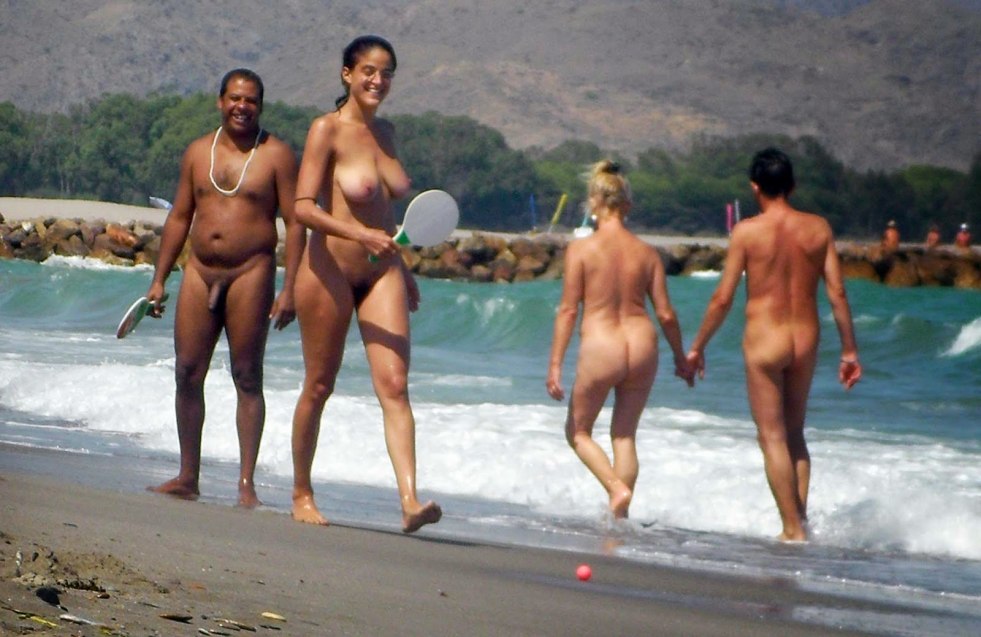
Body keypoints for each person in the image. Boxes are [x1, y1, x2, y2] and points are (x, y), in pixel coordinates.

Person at [289, 35, 441, 533]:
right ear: (348, 74)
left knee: (395, 385)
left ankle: (410, 501)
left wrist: (404, 268)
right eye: (369, 71)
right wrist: (359, 235)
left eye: (387, 72)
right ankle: (301, 492)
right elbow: (303, 207)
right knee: (319, 385)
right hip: (328, 271)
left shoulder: (388, 133)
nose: (379, 80)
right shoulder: (326, 130)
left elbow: (385, 211)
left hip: (382, 272)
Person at [146, 68, 305, 508]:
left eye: (251, 100)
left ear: (260, 106)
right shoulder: (198, 151)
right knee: (186, 371)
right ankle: (187, 476)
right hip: (199, 271)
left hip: (250, 272)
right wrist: (159, 279)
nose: (242, 106)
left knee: (247, 375)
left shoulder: (276, 155)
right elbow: (180, 216)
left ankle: (246, 485)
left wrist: (290, 289)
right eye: (235, 98)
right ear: (220, 101)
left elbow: (295, 224)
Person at [685, 148, 862, 542]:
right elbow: (837, 292)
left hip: (766, 339)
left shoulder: (747, 232)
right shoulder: (818, 228)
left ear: (755, 187)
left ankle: (792, 529)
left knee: (772, 436)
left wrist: (697, 346)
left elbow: (723, 298)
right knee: (795, 433)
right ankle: (801, 523)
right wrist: (849, 350)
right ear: (792, 186)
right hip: (805, 339)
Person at [546, 160, 694, 520]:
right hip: (642, 345)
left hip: (602, 345)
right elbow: (666, 314)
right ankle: (619, 519)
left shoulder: (581, 250)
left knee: (578, 431)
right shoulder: (647, 253)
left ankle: (616, 490)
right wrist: (681, 358)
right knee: (624, 436)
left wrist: (555, 365)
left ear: (594, 203)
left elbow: (568, 310)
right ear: (627, 205)